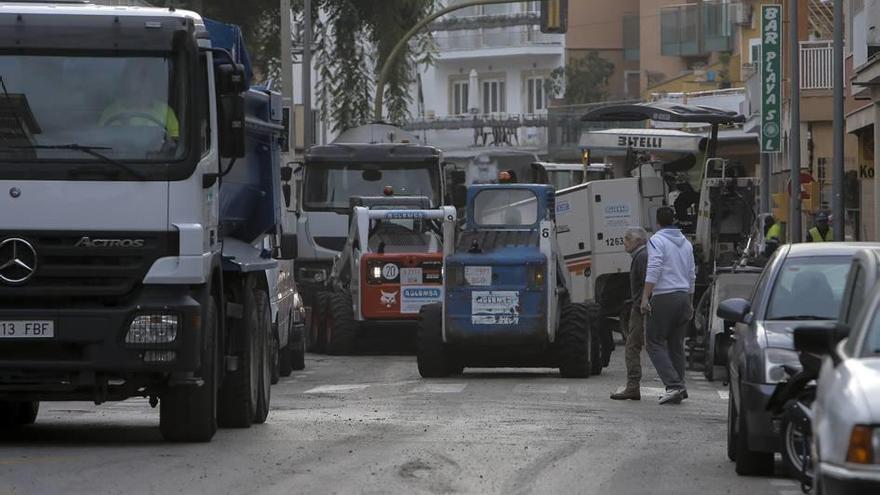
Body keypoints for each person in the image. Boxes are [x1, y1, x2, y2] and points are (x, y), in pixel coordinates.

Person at [640, 206, 696, 405]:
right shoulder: (686, 244)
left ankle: (673, 386)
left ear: (658, 222)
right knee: (676, 345)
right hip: (682, 296)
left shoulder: (657, 240)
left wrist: (645, 297)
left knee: (653, 342)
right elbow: (691, 274)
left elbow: (654, 267)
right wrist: (690, 301)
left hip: (664, 296)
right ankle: (680, 386)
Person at [610, 227, 649, 401]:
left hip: (641, 308)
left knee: (632, 346)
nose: (624, 242)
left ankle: (633, 386)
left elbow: (649, 281)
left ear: (639, 241)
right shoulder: (641, 256)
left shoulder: (641, 257)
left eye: (628, 238)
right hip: (641, 305)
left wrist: (643, 301)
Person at [99, 61, 179, 139]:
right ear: (126, 83)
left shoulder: (166, 112)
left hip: (158, 152)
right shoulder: (111, 112)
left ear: (152, 83)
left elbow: (175, 144)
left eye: (144, 77)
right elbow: (100, 141)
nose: (141, 84)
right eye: (136, 77)